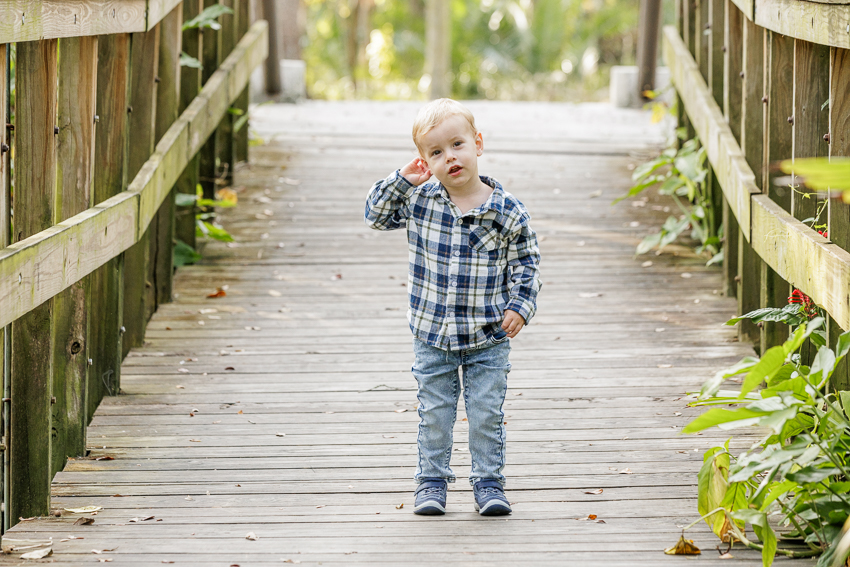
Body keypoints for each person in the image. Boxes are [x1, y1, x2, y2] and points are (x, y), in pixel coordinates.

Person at [364, 99, 541, 516]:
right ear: (425, 161)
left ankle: (489, 482)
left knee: (485, 413)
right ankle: (431, 482)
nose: (450, 157)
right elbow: (375, 215)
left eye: (457, 144)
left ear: (477, 143)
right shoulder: (420, 200)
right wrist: (402, 180)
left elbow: (527, 263)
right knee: (435, 413)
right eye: (436, 152)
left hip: (488, 336)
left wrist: (520, 306)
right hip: (433, 334)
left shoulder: (506, 210)